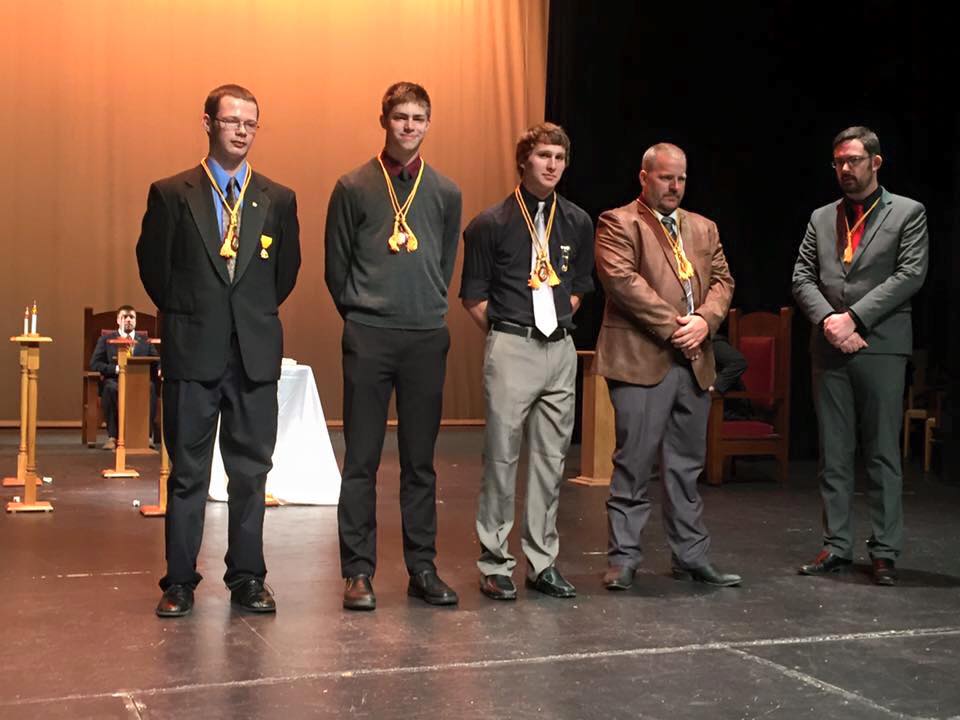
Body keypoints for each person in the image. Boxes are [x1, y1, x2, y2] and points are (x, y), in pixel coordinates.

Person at [136, 83, 301, 617]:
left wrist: (243, 316)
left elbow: (284, 274)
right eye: (232, 121)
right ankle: (180, 581)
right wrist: (196, 314)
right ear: (208, 123)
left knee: (251, 473)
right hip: (193, 351)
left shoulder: (278, 198)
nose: (241, 131)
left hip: (253, 353)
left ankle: (248, 577)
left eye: (250, 123)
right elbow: (155, 271)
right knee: (188, 473)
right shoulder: (172, 193)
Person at [325, 82, 462, 611]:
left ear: (428, 124)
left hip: (425, 335)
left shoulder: (445, 191)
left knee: (420, 462)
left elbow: (443, 262)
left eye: (418, 118)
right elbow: (337, 267)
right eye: (400, 117)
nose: (409, 126)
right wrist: (364, 313)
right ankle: (358, 571)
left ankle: (422, 568)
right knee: (360, 459)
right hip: (369, 333)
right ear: (384, 120)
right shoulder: (353, 185)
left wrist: (422, 306)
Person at [594, 142, 740, 591]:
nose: (675, 186)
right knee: (634, 463)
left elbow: (723, 281)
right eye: (665, 177)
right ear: (644, 177)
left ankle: (690, 556)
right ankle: (623, 559)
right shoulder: (619, 222)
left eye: (681, 178)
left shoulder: (704, 227)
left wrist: (706, 321)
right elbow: (622, 282)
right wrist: (679, 327)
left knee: (686, 466)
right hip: (642, 358)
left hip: (694, 360)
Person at [460, 122, 594, 601]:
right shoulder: (490, 223)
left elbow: (578, 287)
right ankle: (495, 562)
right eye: (543, 156)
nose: (552, 165)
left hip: (559, 348)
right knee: (502, 456)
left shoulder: (577, 221)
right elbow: (473, 296)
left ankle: (542, 562)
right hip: (512, 344)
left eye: (559, 157)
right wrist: (509, 333)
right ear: (524, 161)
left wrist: (553, 324)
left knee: (550, 459)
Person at [792, 126, 928, 586]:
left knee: (882, 453)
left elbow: (910, 275)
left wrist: (854, 318)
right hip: (829, 345)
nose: (845, 169)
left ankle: (884, 550)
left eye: (853, 160)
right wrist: (831, 321)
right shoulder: (821, 217)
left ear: (876, 162)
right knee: (834, 453)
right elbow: (802, 277)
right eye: (838, 162)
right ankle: (837, 545)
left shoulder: (907, 212)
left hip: (880, 345)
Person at [89, 305, 159, 450]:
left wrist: (160, 368)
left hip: (139, 381)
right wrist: (116, 369)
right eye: (124, 317)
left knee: (151, 387)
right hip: (115, 380)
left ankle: (146, 436)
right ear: (118, 320)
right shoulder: (106, 340)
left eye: (131, 317)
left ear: (135, 321)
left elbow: (157, 360)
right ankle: (113, 437)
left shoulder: (144, 340)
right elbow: (95, 364)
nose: (128, 320)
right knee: (110, 388)